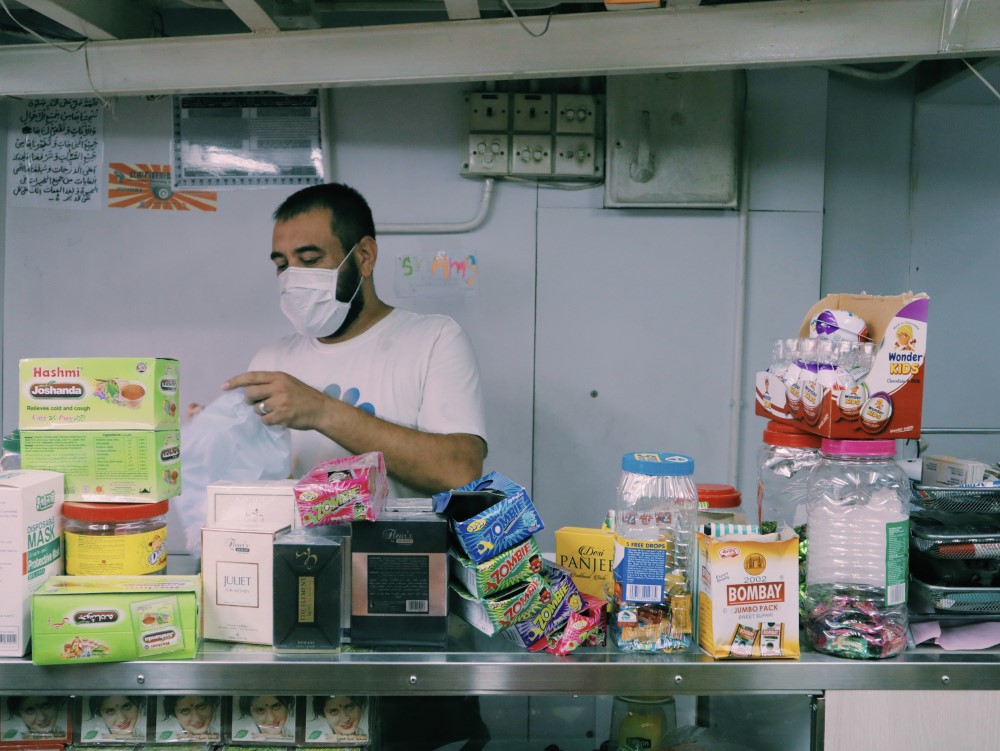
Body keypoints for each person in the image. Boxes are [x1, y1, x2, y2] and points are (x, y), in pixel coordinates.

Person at [221, 182, 487, 498]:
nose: (292, 279)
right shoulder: (270, 361)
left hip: (397, 546)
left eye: (309, 260)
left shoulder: (433, 340)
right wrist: (218, 435)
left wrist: (322, 411)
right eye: (282, 265)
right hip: (300, 546)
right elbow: (254, 481)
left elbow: (459, 471)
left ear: (364, 256)